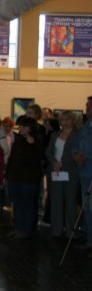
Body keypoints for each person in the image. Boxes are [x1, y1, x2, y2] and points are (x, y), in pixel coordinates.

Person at [6, 116, 44, 239]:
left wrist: (32, 145)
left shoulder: (37, 140)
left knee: (28, 204)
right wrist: (8, 175)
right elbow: (12, 158)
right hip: (15, 176)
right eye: (20, 126)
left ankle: (27, 229)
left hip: (29, 179)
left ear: (30, 128)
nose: (20, 128)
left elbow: (38, 159)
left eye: (23, 126)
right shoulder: (18, 140)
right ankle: (18, 227)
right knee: (17, 203)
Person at [46, 110, 80, 240]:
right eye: (62, 120)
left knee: (70, 202)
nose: (65, 122)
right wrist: (54, 162)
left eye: (67, 119)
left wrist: (62, 163)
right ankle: (56, 229)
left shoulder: (77, 136)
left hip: (70, 172)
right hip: (55, 171)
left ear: (73, 121)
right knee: (56, 201)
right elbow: (48, 151)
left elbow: (77, 153)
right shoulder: (55, 134)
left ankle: (70, 231)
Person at [74, 96, 92, 258]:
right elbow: (76, 144)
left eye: (89, 106)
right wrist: (76, 155)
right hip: (84, 172)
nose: (87, 109)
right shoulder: (85, 127)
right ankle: (89, 240)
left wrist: (86, 155)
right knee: (86, 208)